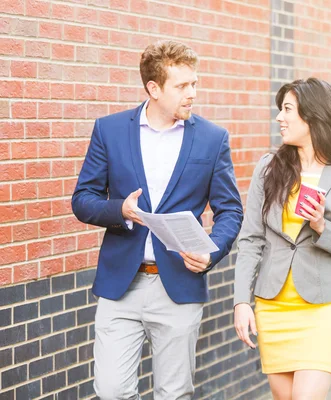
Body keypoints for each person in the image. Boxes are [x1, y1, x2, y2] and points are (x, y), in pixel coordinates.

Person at [71, 40, 243, 399]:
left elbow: (230, 211)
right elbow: (83, 200)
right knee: (112, 392)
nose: (192, 93)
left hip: (179, 286)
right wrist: (120, 210)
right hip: (121, 286)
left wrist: (211, 251)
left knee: (173, 394)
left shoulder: (213, 139)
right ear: (153, 88)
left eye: (194, 83)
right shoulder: (110, 130)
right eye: (182, 86)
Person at [233, 78, 331, 400]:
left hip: (325, 307)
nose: (279, 117)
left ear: (313, 116)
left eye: (287, 110)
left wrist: (323, 226)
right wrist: (242, 301)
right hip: (273, 305)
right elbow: (251, 240)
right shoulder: (269, 168)